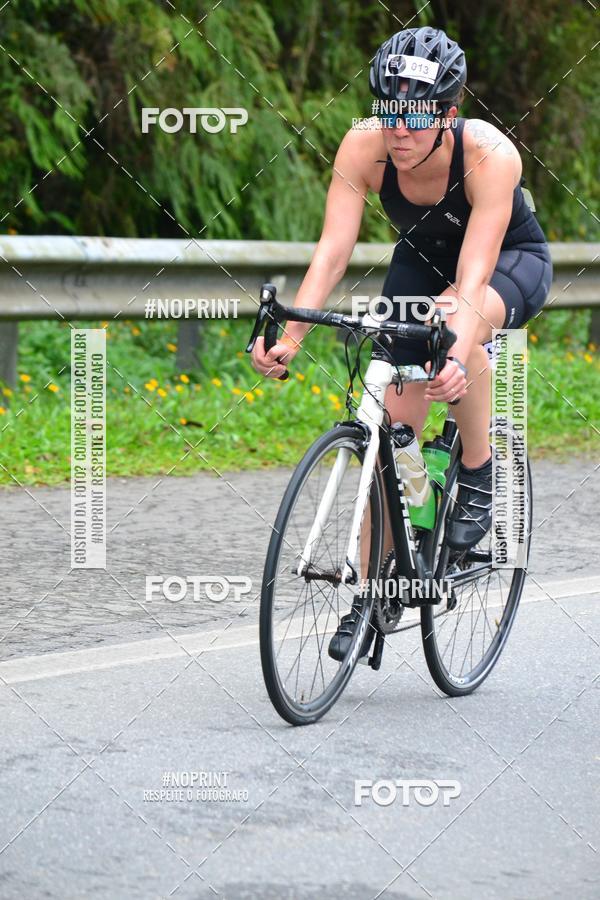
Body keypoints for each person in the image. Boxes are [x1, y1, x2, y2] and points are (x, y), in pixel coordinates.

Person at [251, 26, 552, 658]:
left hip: (505, 264)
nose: (399, 129)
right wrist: (295, 333)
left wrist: (453, 352)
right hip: (420, 258)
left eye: (415, 115)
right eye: (388, 110)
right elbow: (333, 251)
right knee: (391, 430)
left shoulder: (489, 155)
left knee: (455, 327)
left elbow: (471, 282)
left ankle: (477, 470)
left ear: (448, 113)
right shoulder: (364, 146)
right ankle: (372, 589)